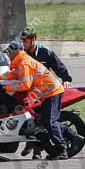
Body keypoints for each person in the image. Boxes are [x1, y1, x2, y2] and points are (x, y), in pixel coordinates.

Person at [0, 42, 69, 160]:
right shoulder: (21, 62)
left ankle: (62, 150)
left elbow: (25, 85)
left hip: (52, 91)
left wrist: (4, 88)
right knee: (43, 122)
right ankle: (54, 151)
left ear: (15, 51)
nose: (7, 55)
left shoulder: (24, 62)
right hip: (45, 93)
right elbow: (12, 74)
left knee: (50, 122)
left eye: (8, 52)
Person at [20, 27, 74, 158]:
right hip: (32, 92)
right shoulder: (23, 54)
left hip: (47, 91)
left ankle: (46, 149)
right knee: (33, 120)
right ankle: (33, 144)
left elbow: (58, 66)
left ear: (33, 39)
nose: (24, 44)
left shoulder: (46, 52)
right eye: (22, 41)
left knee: (48, 121)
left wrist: (66, 79)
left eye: (26, 41)